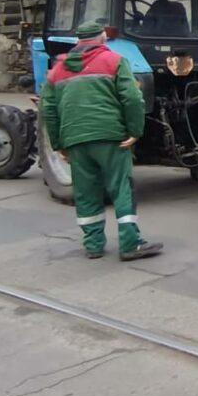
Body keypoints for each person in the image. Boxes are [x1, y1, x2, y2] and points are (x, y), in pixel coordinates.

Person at [40, 21, 162, 262]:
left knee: (86, 192)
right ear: (102, 38)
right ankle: (130, 244)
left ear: (77, 41)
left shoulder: (57, 70)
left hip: (75, 139)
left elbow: (48, 110)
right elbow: (132, 99)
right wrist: (135, 131)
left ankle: (93, 245)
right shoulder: (114, 61)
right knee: (121, 188)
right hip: (110, 136)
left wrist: (58, 144)